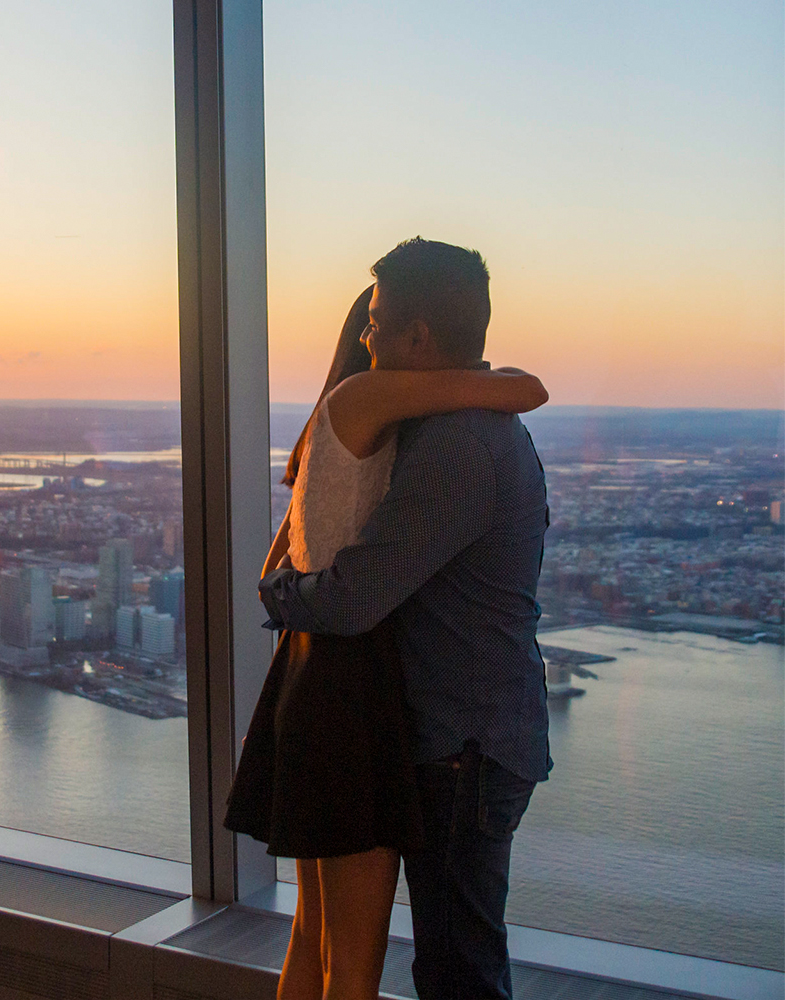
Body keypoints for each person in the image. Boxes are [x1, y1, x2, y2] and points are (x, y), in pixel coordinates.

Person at [255, 238, 551, 1000]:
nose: (368, 335)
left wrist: (280, 594)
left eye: (380, 321)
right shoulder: (436, 423)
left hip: (464, 746)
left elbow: (352, 597)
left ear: (419, 336)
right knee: (449, 965)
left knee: (455, 970)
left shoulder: (456, 443)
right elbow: (524, 388)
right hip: (447, 730)